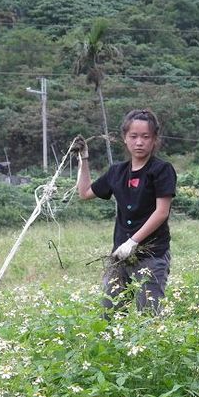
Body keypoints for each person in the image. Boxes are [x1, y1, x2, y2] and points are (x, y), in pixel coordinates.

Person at [76, 108, 177, 313]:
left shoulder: (161, 170)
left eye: (145, 137)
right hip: (120, 256)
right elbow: (85, 193)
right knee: (110, 312)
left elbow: (161, 212)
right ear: (125, 138)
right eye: (133, 136)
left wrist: (133, 241)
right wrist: (83, 159)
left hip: (152, 254)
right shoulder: (117, 172)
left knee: (148, 313)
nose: (139, 142)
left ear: (154, 139)